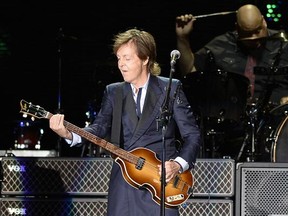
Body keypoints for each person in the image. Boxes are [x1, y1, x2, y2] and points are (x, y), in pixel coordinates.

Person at [49, 28, 201, 216]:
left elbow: (192, 135)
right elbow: (99, 128)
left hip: (162, 182)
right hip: (125, 183)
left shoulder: (170, 88)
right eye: (119, 58)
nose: (121, 65)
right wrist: (69, 134)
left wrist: (177, 164)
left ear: (145, 59)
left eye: (127, 58)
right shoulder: (114, 92)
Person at [175, 4, 288, 161]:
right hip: (233, 124)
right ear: (237, 28)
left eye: (258, 32)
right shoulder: (221, 45)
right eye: (248, 35)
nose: (255, 40)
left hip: (275, 122)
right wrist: (183, 38)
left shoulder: (283, 44)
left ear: (264, 22)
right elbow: (190, 73)